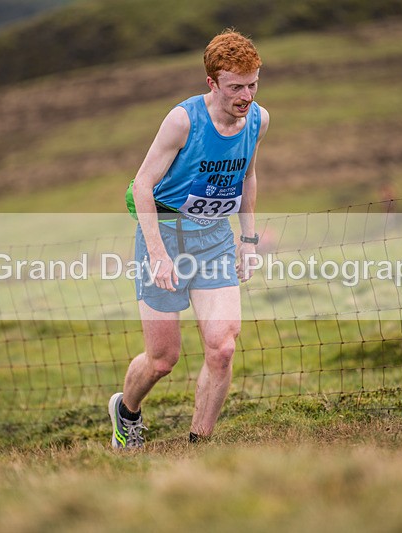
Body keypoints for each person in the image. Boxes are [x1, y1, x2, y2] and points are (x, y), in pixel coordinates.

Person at [109, 29, 270, 450]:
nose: (246, 95)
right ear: (212, 83)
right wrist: (159, 256)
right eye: (236, 87)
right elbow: (142, 185)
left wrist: (248, 240)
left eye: (253, 84)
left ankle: (198, 447)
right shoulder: (183, 120)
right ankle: (126, 413)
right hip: (164, 235)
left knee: (222, 348)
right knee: (163, 359)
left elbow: (248, 176)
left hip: (215, 239)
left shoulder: (258, 119)